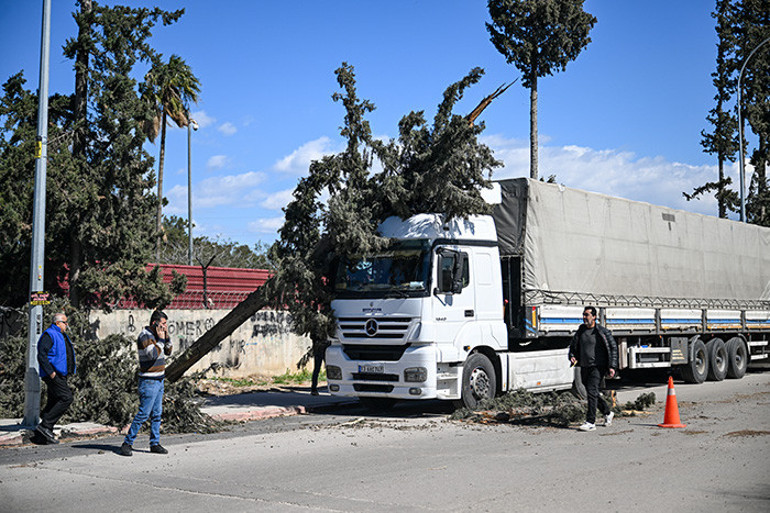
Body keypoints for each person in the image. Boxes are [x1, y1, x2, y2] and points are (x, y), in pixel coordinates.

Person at [120, 310, 172, 456]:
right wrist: (161, 340)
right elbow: (152, 355)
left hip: (159, 379)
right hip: (149, 381)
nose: (164, 326)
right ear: (154, 323)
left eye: (166, 324)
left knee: (157, 414)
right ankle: (127, 443)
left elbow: (168, 351)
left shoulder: (159, 335)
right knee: (143, 414)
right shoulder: (145, 335)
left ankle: (154, 443)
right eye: (162, 324)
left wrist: (166, 337)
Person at [569, 306, 618, 432]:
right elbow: (573, 345)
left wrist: (612, 366)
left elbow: (612, 349)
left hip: (598, 367)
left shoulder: (602, 332)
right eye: (584, 315)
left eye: (587, 315)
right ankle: (607, 413)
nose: (584, 317)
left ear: (594, 317)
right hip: (584, 366)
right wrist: (572, 356)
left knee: (591, 391)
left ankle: (591, 421)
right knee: (593, 392)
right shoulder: (581, 330)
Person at [35, 312, 76, 444]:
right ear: (58, 323)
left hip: (61, 374)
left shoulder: (61, 335)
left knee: (54, 400)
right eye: (65, 322)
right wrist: (50, 372)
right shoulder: (50, 334)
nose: (67, 325)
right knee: (66, 398)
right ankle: (45, 425)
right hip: (53, 374)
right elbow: (41, 354)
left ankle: (42, 435)